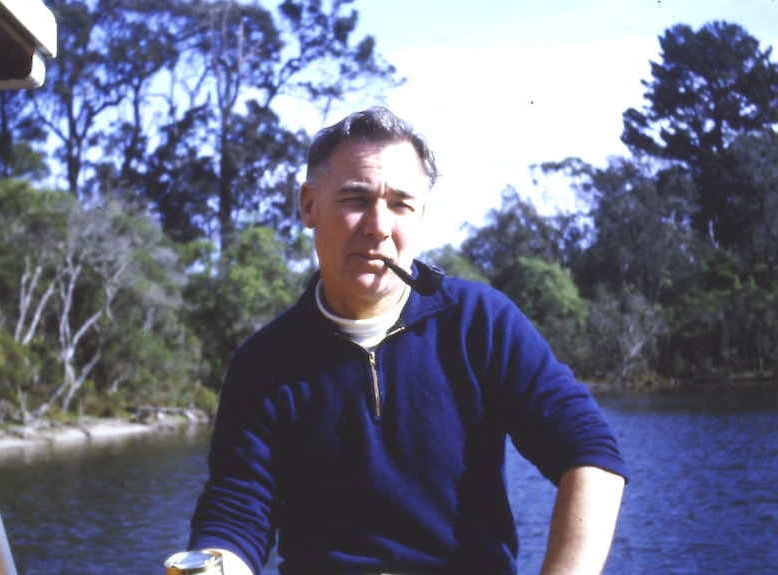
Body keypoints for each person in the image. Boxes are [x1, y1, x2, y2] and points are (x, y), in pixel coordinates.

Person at [188, 107, 628, 575]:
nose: (378, 225)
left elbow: (590, 456)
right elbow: (235, 520)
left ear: (420, 215)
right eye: (355, 198)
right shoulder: (264, 363)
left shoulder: (480, 323)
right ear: (309, 206)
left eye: (400, 203)